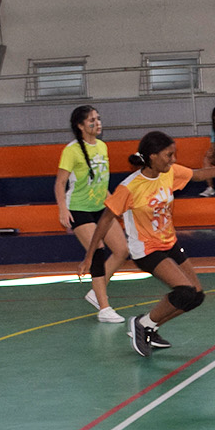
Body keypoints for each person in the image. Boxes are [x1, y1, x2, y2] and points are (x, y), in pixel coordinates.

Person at [81, 131, 215, 355]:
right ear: (152, 156)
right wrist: (90, 255)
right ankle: (142, 324)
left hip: (170, 243)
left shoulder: (170, 172)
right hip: (147, 250)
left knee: (196, 296)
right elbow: (104, 221)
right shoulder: (130, 187)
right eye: (169, 155)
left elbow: (198, 175)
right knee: (184, 291)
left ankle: (149, 327)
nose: (173, 159)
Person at [56, 104, 130, 324]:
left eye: (98, 118)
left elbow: (101, 182)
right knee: (97, 250)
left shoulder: (102, 146)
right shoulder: (71, 151)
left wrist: (114, 205)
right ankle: (104, 308)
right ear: (80, 126)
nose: (97, 123)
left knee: (122, 250)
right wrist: (62, 208)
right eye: (92, 120)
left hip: (101, 208)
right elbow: (60, 183)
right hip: (79, 209)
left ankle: (96, 292)